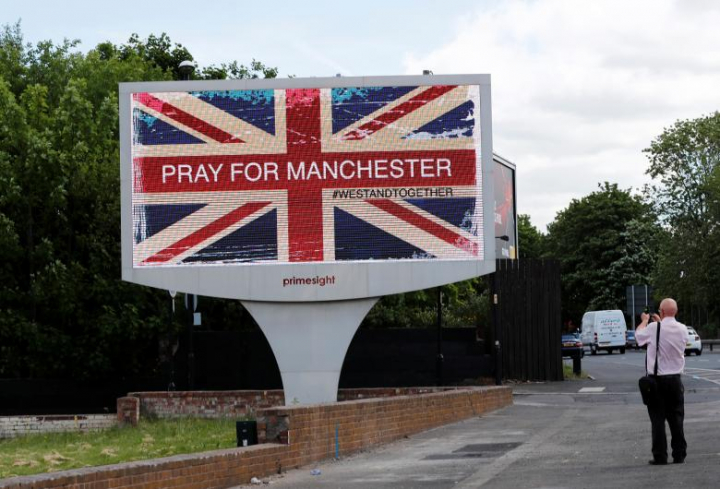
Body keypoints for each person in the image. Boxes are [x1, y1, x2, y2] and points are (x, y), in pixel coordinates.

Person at [636, 298, 688, 465]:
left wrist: (644, 321)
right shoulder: (683, 329)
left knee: (658, 419)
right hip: (675, 380)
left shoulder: (653, 328)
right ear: (676, 312)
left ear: (662, 312)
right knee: (677, 418)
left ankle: (660, 455)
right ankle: (679, 454)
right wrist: (660, 323)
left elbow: (639, 337)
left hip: (657, 381)